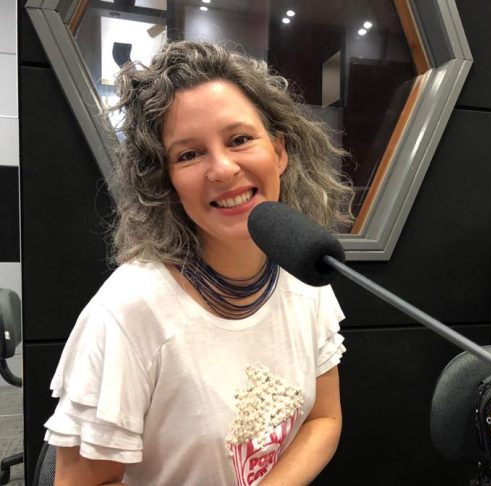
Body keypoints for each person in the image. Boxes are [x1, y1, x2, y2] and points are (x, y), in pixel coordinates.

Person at [43, 40, 355, 486]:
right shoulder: (128, 313)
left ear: (279, 151)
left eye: (240, 139)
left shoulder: (304, 276)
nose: (223, 169)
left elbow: (323, 419)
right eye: (189, 154)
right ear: (166, 181)